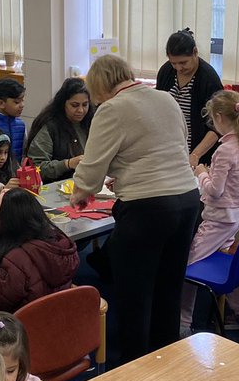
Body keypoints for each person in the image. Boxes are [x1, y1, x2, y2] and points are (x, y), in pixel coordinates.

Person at [71, 54, 199, 357]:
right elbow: (177, 146)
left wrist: (80, 192)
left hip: (148, 209)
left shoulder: (112, 109)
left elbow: (92, 164)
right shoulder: (165, 98)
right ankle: (165, 356)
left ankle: (134, 364)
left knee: (134, 294)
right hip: (187, 199)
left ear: (100, 84)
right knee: (168, 287)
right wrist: (127, 172)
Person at [181, 90, 239, 333]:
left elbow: (215, 192)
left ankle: (182, 325)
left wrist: (201, 173)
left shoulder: (224, 150)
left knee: (187, 268)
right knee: (228, 263)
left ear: (218, 118)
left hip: (218, 219)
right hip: (236, 217)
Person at [0, 188, 79, 317]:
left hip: (23, 327)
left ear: (5, 221)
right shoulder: (61, 242)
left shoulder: (16, 259)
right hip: (59, 318)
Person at [156, 28, 225, 167]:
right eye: (173, 63)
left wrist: (195, 155)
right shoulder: (166, 72)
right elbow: (158, 110)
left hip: (199, 153)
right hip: (170, 150)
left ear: (195, 52)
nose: (178, 68)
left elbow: (217, 126)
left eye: (183, 63)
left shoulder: (208, 78)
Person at [25, 77, 94, 182]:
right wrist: (67, 164)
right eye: (74, 105)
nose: (80, 110)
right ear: (63, 104)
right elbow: (37, 169)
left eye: (85, 105)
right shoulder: (50, 126)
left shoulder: (91, 121)